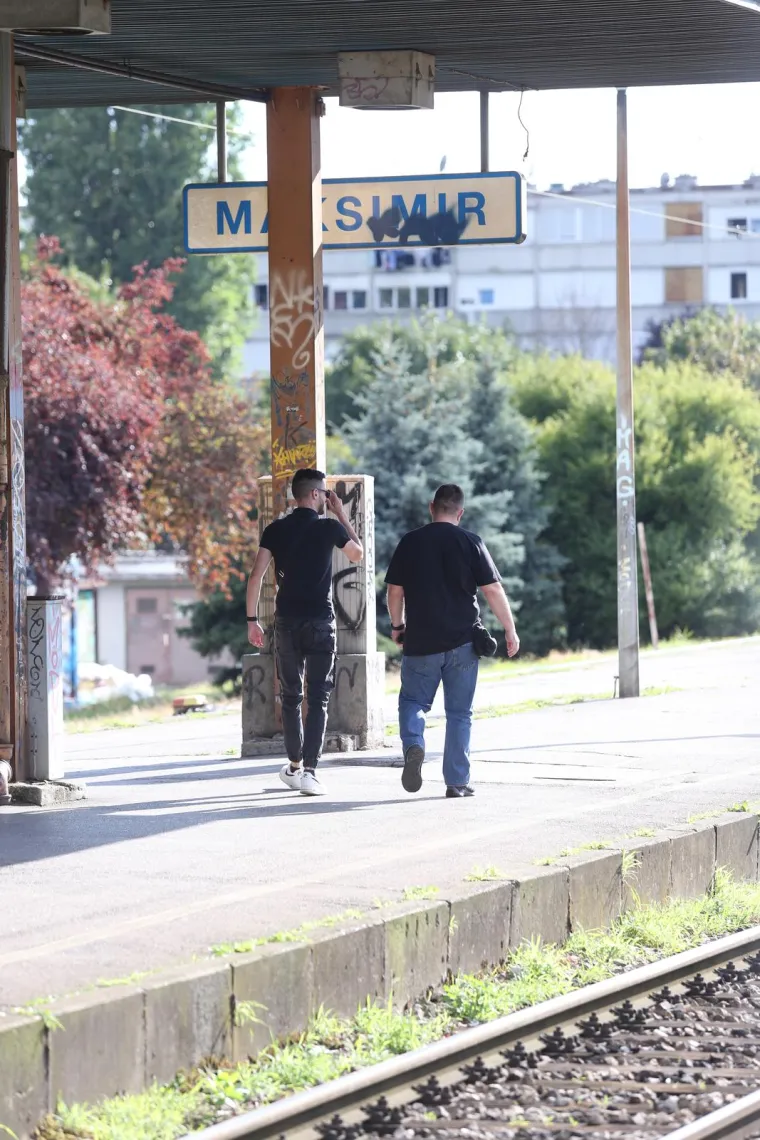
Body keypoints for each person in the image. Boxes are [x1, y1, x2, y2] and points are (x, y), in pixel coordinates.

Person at [385, 483, 520, 799]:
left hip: (420, 641)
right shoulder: (471, 542)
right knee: (460, 713)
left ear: (432, 507)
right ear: (460, 512)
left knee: (413, 702)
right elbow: (493, 590)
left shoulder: (410, 542)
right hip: (462, 643)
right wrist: (510, 630)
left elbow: (394, 590)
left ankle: (415, 743)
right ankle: (457, 782)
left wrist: (397, 625)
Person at [246, 469, 363, 796]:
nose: (327, 498)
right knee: (317, 696)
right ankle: (309, 771)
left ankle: (295, 767)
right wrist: (341, 512)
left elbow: (255, 577)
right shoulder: (328, 526)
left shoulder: (275, 530)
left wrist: (251, 619)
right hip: (320, 623)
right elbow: (358, 553)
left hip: (286, 623)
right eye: (325, 493)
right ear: (314, 495)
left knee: (291, 697)